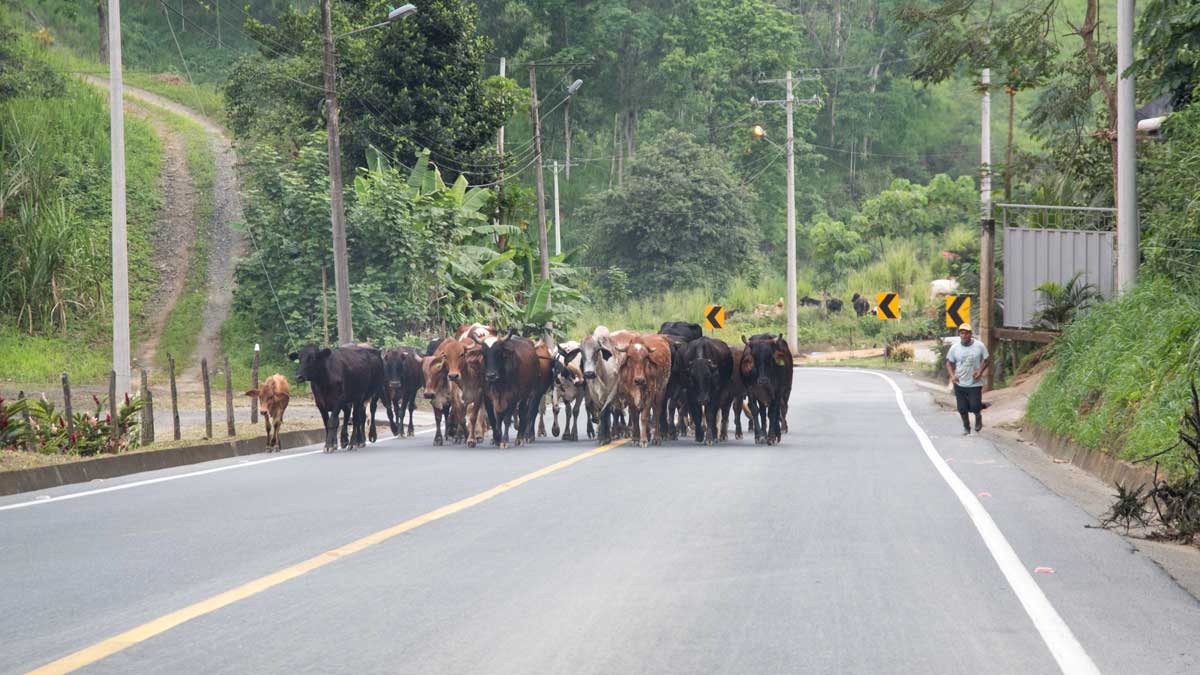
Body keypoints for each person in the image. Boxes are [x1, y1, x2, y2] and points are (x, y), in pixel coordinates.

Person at [945, 322, 991, 435]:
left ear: (971, 334)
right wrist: (952, 376)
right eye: (962, 333)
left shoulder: (979, 346)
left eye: (966, 333)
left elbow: (987, 360)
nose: (964, 335)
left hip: (974, 383)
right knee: (962, 408)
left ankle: (978, 416)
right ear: (959, 334)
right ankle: (966, 427)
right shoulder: (954, 348)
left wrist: (980, 371)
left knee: (975, 406)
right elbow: (948, 363)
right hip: (959, 382)